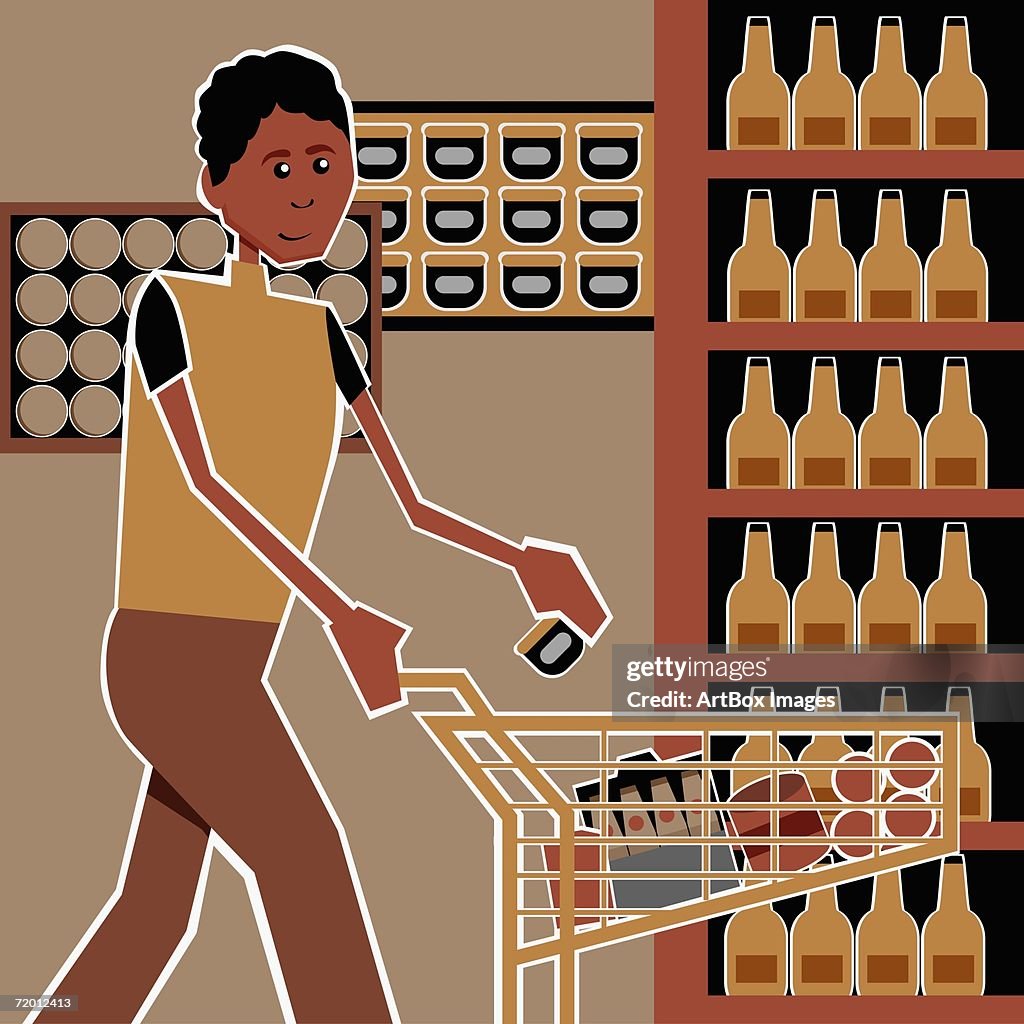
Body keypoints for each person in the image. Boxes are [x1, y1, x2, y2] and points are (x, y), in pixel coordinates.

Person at [32, 45, 609, 1024]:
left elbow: (411, 506)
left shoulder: (326, 334)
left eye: (327, 162)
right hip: (164, 655)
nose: (310, 191)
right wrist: (338, 608)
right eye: (280, 167)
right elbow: (206, 480)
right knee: (308, 860)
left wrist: (525, 560)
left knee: (157, 906)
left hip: (236, 666)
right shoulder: (170, 307)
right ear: (214, 187)